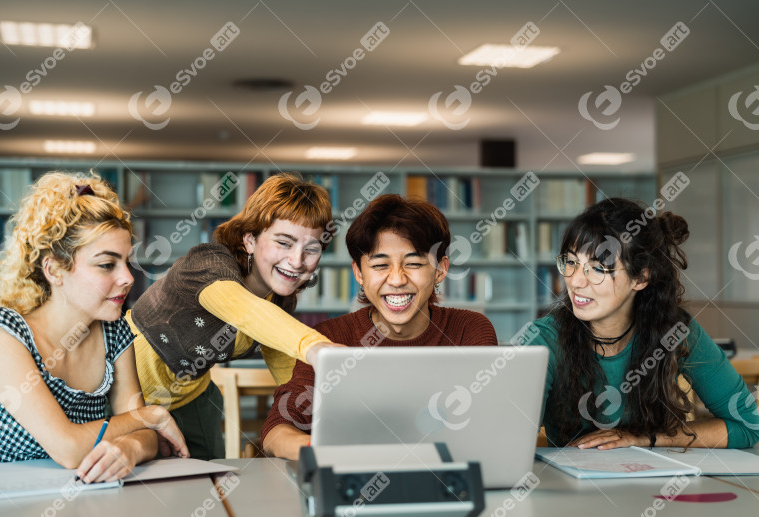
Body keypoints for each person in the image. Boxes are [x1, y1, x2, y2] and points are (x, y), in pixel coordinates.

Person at [0, 172, 188, 482]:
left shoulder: (114, 332)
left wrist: (131, 447)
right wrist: (150, 415)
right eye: (107, 264)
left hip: (73, 495)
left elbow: (144, 432)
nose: (128, 278)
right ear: (54, 270)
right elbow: (68, 449)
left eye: (126, 262)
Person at [261, 194, 499, 460]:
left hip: (448, 477)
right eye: (380, 265)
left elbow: (488, 426)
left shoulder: (470, 330)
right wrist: (327, 454)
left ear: (441, 269)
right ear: (359, 273)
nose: (396, 279)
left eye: (414, 263)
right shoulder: (329, 337)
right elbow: (277, 432)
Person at [128, 172, 341, 460]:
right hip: (125, 390)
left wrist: (324, 412)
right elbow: (246, 311)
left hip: (192, 396)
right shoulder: (207, 262)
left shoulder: (281, 297)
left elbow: (284, 366)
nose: (297, 261)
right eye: (284, 242)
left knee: (209, 484)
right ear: (250, 240)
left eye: (311, 249)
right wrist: (318, 348)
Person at [529, 197, 759, 449]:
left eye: (597, 268)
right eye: (571, 262)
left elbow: (748, 424)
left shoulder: (675, 331)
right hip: (573, 486)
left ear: (640, 277)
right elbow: (509, 442)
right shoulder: (543, 340)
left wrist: (644, 438)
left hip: (655, 484)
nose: (575, 281)